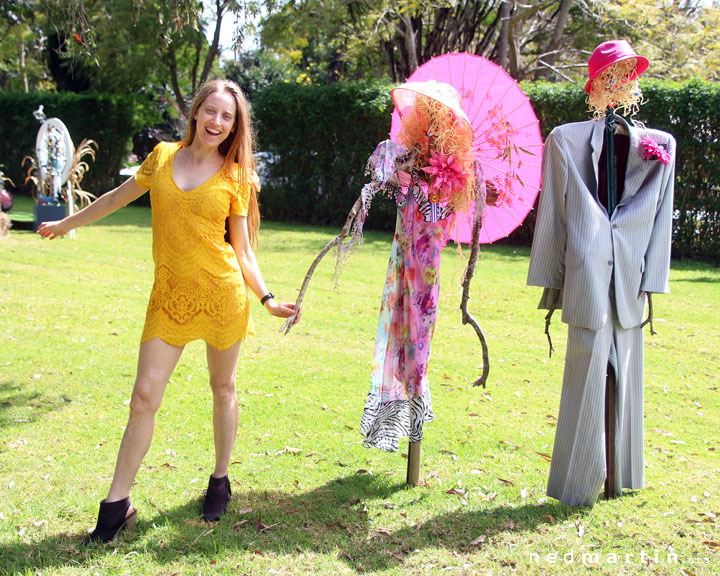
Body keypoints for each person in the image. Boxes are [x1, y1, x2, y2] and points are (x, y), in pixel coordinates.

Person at [37, 79, 298, 541]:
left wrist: (268, 298)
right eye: (211, 111)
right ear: (196, 112)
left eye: (227, 117)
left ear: (235, 126)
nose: (217, 122)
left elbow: (243, 251)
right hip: (169, 297)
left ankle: (220, 479)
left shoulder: (234, 176)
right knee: (143, 398)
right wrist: (64, 222)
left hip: (222, 295)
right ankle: (117, 505)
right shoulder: (161, 157)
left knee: (223, 388)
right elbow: (115, 199)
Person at [527, 40, 675, 506]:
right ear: (594, 84)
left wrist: (653, 281)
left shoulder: (660, 146)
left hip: (631, 273)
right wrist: (552, 282)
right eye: (608, 75)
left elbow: (661, 217)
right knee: (585, 373)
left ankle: (623, 475)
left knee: (627, 372)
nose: (617, 84)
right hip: (586, 273)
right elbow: (551, 210)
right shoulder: (565, 140)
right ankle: (575, 484)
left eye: (625, 74)